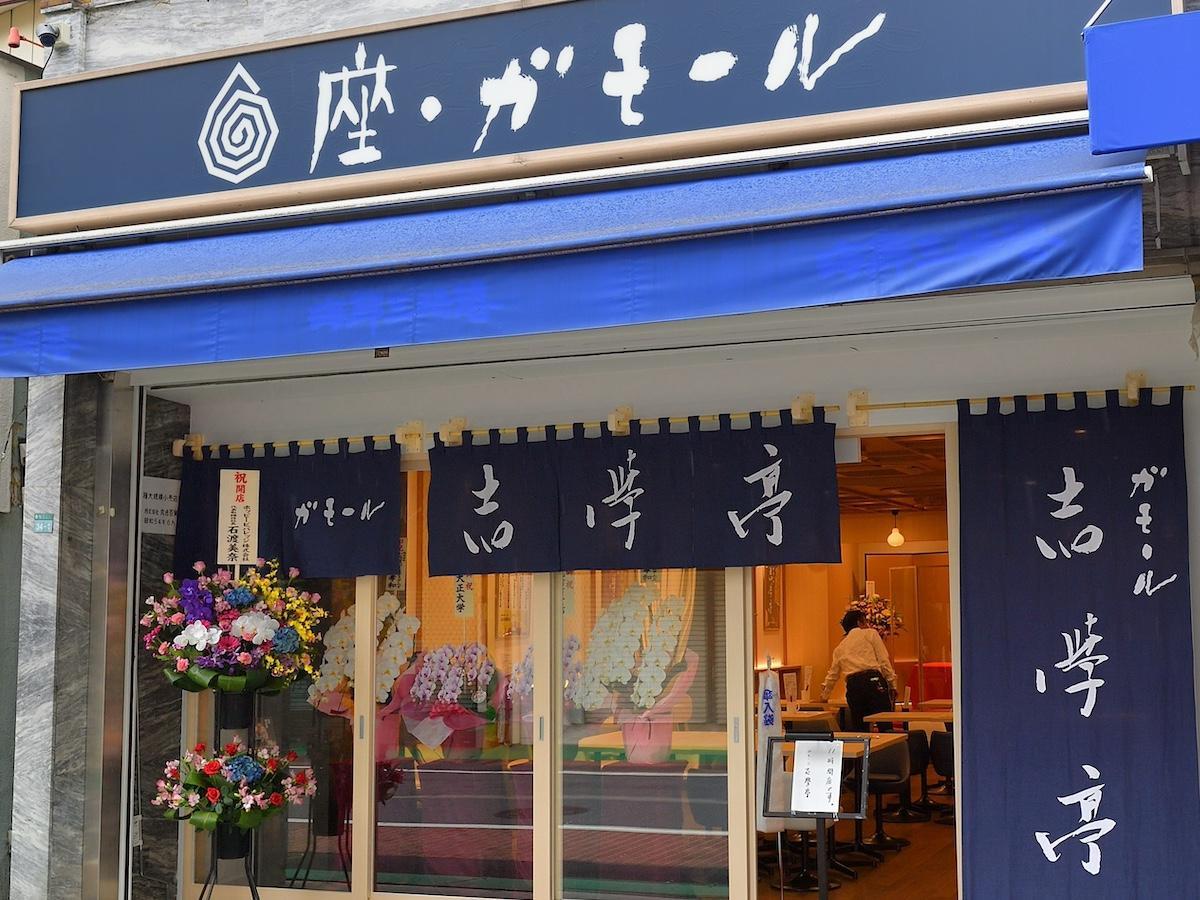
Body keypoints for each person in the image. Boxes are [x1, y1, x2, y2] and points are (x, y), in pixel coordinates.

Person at [820, 609, 898, 732]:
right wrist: (892, 684)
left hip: (853, 685)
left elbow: (832, 675)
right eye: (865, 621)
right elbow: (884, 661)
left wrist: (824, 696)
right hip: (873, 681)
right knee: (885, 725)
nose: (867, 624)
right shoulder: (871, 634)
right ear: (859, 622)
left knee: (860, 729)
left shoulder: (840, 648)